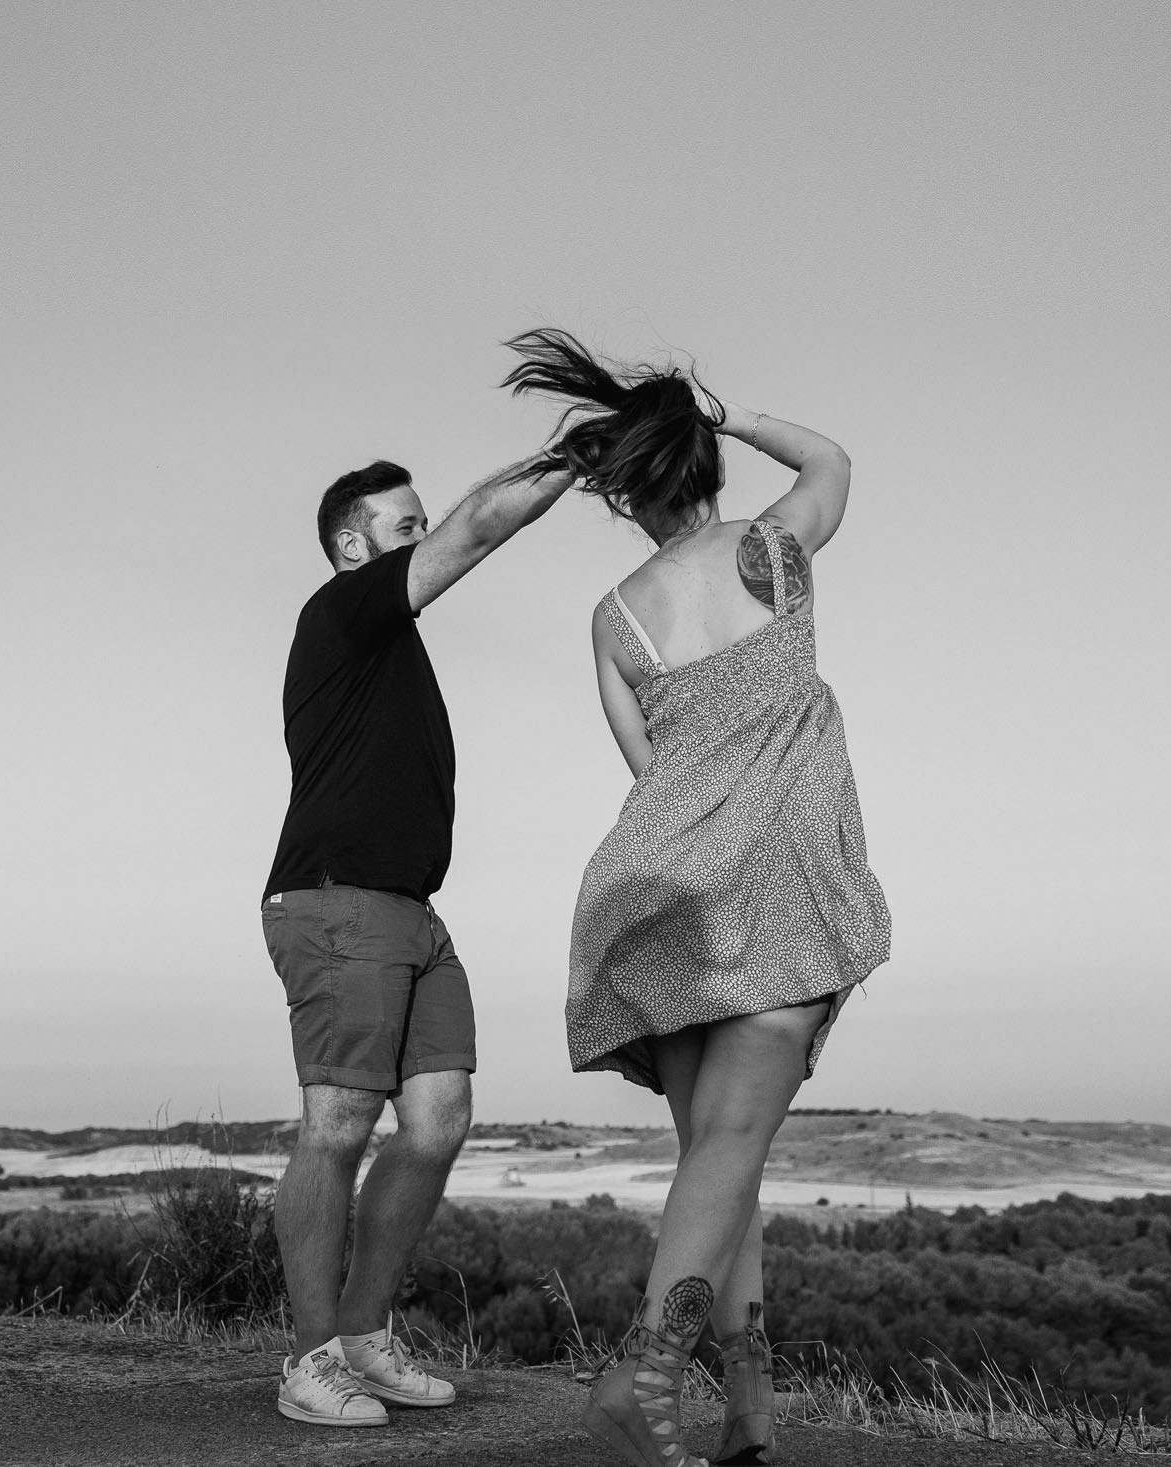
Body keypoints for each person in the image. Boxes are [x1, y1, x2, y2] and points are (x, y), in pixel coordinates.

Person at [501, 330, 890, 1466]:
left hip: (652, 887)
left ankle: (749, 1420)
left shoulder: (613, 618)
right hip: (775, 890)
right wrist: (728, 417)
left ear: (625, 493)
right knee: (729, 1145)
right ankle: (642, 1373)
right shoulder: (772, 552)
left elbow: (646, 767)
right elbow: (831, 460)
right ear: (704, 460)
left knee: (719, 1166)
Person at [260, 453, 575, 1428]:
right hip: (335, 901)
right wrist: (579, 452)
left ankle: (362, 1334)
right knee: (339, 1126)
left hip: (412, 913)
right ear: (353, 543)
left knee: (436, 1121)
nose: (424, 539)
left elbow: (459, 525)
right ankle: (310, 1362)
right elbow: (478, 527)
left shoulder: (386, 638)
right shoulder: (343, 608)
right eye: (406, 527)